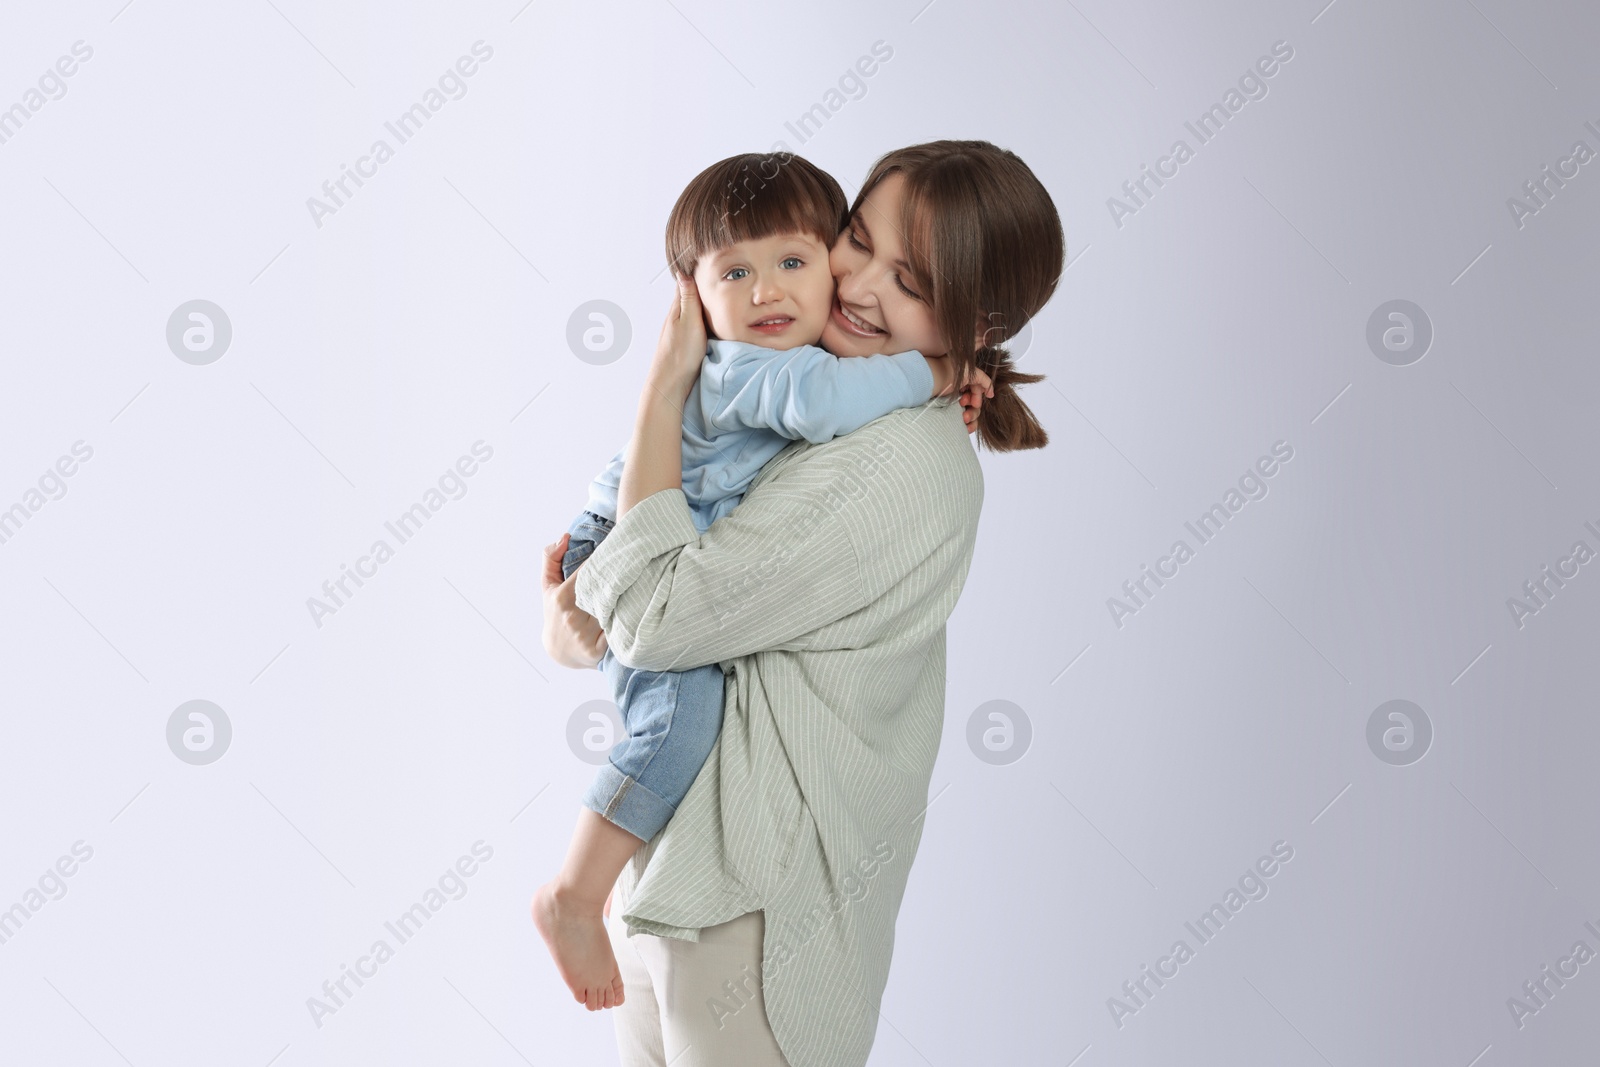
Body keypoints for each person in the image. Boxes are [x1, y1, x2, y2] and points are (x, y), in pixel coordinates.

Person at [541, 140, 1063, 1067]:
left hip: (753, 921)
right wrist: (578, 610)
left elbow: (650, 620)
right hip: (670, 887)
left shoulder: (893, 460)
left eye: (907, 280)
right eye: (855, 240)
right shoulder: (803, 403)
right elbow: (596, 623)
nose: (856, 285)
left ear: (974, 316)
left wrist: (662, 391)